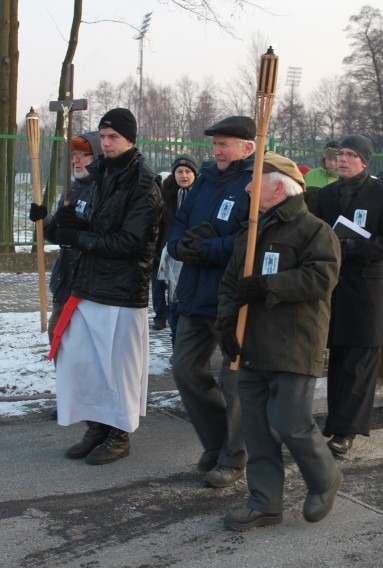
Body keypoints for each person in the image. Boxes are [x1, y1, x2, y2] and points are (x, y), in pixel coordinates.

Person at [217, 151, 342, 531]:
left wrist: (268, 285)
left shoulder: (314, 230)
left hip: (293, 343)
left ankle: (325, 478)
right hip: (251, 346)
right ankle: (265, 502)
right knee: (256, 428)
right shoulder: (251, 230)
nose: (249, 187)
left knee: (291, 422)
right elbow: (231, 285)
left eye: (257, 179)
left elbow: (322, 278)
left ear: (278, 186)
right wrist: (226, 326)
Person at [48, 108, 163, 465]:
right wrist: (62, 223)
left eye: (114, 137)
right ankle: (95, 425)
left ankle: (120, 432)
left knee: (117, 367)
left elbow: (131, 242)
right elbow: (76, 223)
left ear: (130, 139)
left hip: (121, 291)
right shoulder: (95, 176)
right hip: (86, 284)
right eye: (104, 136)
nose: (107, 143)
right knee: (86, 363)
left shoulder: (143, 182)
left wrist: (80, 237)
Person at [167, 115, 255, 488]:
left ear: (247, 148)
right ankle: (216, 441)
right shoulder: (203, 180)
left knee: (233, 378)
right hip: (192, 294)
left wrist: (203, 249)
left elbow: (248, 240)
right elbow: (179, 224)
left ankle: (234, 457)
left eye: (224, 144)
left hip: (231, 296)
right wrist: (179, 246)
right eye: (215, 144)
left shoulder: (255, 182)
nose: (216, 151)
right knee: (185, 368)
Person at [308, 134, 383, 458]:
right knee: (338, 357)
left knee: (360, 359)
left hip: (365, 287)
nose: (343, 159)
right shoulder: (326, 195)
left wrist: (357, 247)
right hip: (334, 287)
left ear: (365, 161)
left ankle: (347, 429)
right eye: (340, 154)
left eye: (351, 155)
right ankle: (336, 420)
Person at [29, 131, 104, 346]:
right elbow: (60, 236)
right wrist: (46, 220)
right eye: (73, 155)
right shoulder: (72, 191)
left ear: (97, 157)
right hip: (66, 279)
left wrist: (78, 231)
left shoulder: (103, 191)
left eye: (82, 154)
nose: (75, 160)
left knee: (82, 347)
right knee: (58, 339)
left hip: (90, 284)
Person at [157, 154, 199, 348]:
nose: (184, 175)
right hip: (170, 252)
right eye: (179, 171)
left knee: (187, 300)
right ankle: (176, 345)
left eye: (188, 171)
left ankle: (188, 346)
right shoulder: (166, 194)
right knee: (172, 299)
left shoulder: (201, 194)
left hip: (193, 254)